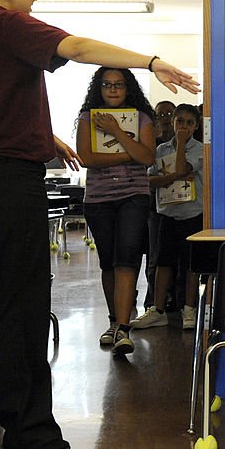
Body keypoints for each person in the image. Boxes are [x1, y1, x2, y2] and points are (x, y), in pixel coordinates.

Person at [0, 0, 199, 449]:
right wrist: (152, 61)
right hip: (8, 184)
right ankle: (27, 428)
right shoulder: (6, 24)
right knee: (21, 303)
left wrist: (44, 138)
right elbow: (81, 48)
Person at [76, 68, 157, 356]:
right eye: (107, 85)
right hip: (98, 199)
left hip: (133, 196)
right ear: (98, 88)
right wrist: (130, 153)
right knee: (108, 262)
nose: (112, 90)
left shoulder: (142, 118)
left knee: (127, 257)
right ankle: (114, 321)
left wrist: (116, 132)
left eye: (119, 85)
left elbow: (147, 157)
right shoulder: (87, 118)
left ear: (128, 88)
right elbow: (87, 158)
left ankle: (123, 327)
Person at [131, 104, 204, 331]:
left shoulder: (200, 149)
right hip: (167, 214)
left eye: (189, 123)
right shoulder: (160, 150)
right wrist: (171, 176)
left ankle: (189, 308)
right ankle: (158, 309)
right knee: (163, 262)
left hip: (193, 213)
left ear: (196, 126)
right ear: (172, 122)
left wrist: (181, 145)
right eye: (179, 121)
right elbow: (149, 180)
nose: (183, 126)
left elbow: (183, 168)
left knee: (191, 265)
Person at [143, 100, 177, 312]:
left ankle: (174, 299)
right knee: (154, 257)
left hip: (180, 207)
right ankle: (153, 303)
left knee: (172, 257)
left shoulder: (185, 144)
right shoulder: (149, 145)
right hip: (153, 207)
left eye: (169, 114)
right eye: (160, 114)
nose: (165, 118)